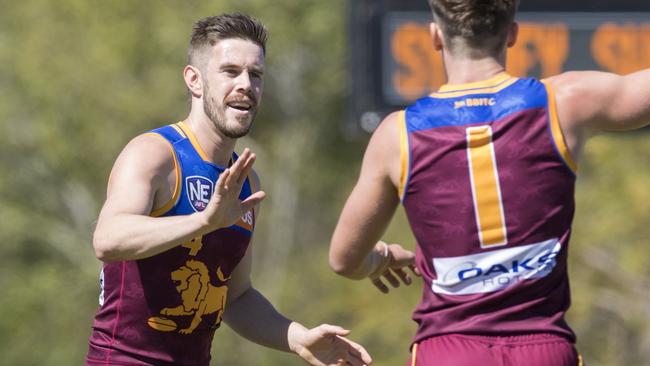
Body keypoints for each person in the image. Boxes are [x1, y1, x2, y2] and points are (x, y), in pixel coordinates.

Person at [329, 0, 650, 365]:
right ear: (513, 34)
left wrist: (381, 259)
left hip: (448, 352)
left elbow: (344, 259)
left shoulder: (397, 134)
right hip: (543, 350)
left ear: (436, 37)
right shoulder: (563, 103)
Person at [85, 13, 372, 366]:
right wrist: (205, 220)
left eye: (256, 75)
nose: (246, 85)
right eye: (230, 71)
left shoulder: (246, 182)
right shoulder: (155, 154)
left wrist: (298, 338)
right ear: (195, 80)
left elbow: (236, 297)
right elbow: (108, 239)